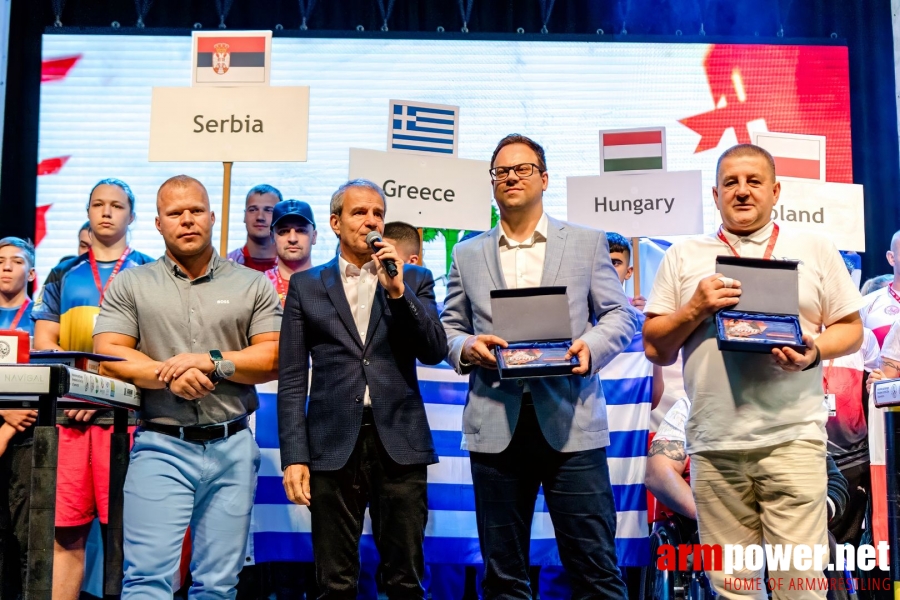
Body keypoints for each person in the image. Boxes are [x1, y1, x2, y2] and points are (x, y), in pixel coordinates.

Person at [643, 144, 864, 599]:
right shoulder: (684, 255)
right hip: (713, 445)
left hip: (793, 442)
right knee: (733, 591)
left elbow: (851, 329)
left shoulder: (815, 248)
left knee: (800, 589)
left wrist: (815, 349)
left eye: (754, 181)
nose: (742, 192)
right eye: (731, 183)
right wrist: (695, 308)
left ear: (775, 190)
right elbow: (655, 348)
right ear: (715, 193)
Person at [441, 134, 639, 598]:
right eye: (501, 172)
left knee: (594, 567)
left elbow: (619, 314)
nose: (511, 177)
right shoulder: (466, 253)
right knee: (503, 574)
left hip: (571, 422)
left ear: (544, 178)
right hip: (495, 424)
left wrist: (590, 347)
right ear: (493, 183)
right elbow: (449, 326)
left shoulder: (587, 243)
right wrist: (467, 347)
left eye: (523, 169)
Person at [93, 174, 282, 599]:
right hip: (160, 443)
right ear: (158, 224)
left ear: (213, 217)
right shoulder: (131, 283)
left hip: (232, 445)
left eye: (195, 210)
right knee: (146, 582)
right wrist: (170, 374)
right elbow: (109, 353)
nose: (187, 220)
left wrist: (212, 363)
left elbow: (274, 357)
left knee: (218, 586)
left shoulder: (251, 283)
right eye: (174, 213)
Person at [277, 178, 446, 599]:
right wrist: (295, 456)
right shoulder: (306, 285)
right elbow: (293, 377)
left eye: (377, 213)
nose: (371, 221)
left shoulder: (414, 278)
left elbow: (433, 349)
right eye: (359, 212)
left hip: (399, 441)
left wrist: (399, 291)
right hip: (333, 444)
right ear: (335, 222)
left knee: (405, 579)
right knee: (334, 582)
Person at [31, 178, 155, 600]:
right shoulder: (64, 272)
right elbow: (45, 344)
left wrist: (104, 391)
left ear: (132, 216)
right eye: (98, 204)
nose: (106, 212)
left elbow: (155, 347)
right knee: (65, 533)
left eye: (117, 205)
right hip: (70, 419)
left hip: (126, 420)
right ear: (87, 213)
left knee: (127, 536)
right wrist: (80, 390)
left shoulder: (150, 270)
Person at [0, 237, 37, 599]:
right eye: (0, 261)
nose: (7, 266)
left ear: (32, 272)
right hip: (4, 422)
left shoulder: (40, 319)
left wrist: (13, 420)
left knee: (27, 536)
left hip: (28, 435)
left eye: (16, 260)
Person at [264, 199, 318, 306]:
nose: (292, 239)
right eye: (284, 231)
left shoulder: (329, 285)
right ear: (272, 238)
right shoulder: (260, 285)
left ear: (314, 237)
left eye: (301, 230)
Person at [227, 184, 282, 272]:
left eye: (268, 210)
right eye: (253, 210)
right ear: (244, 216)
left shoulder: (293, 268)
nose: (260, 217)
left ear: (280, 217)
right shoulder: (226, 265)